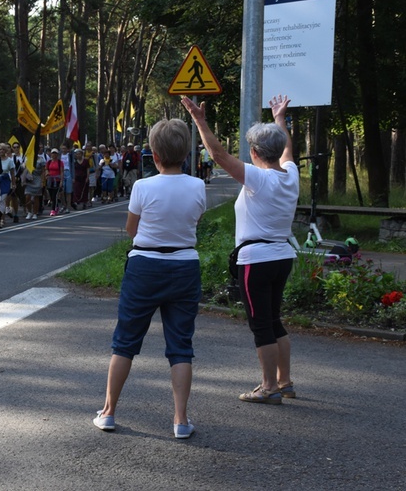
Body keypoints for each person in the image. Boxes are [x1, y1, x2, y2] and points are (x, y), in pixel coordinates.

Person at [182, 94, 298, 404]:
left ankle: (269, 387)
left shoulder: (258, 179)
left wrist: (200, 121)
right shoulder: (292, 175)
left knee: (261, 325)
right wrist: (279, 119)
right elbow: (286, 150)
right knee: (274, 320)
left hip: (256, 260)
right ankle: (284, 381)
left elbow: (218, 155)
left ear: (255, 152)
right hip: (282, 256)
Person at [93, 118, 205, 439]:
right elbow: (194, 219)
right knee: (181, 345)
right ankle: (181, 420)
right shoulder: (197, 186)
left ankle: (109, 412)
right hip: (184, 265)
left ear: (153, 154)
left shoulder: (142, 187)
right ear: (185, 153)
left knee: (125, 341)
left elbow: (132, 230)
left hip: (145, 265)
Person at [23, 153, 46, 220]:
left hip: (37, 179)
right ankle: (29, 212)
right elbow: (24, 167)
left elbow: (43, 171)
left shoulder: (41, 160)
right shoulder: (27, 158)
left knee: (36, 197)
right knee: (27, 196)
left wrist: (42, 181)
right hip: (29, 179)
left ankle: (35, 213)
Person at [45, 148, 63, 215]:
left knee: (55, 195)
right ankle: (56, 206)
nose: (54, 155)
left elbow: (61, 172)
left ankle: (53, 210)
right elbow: (46, 169)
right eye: (53, 153)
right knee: (51, 195)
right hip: (50, 180)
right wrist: (47, 174)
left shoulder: (59, 162)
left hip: (57, 180)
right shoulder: (49, 162)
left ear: (57, 154)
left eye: (55, 153)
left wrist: (61, 181)